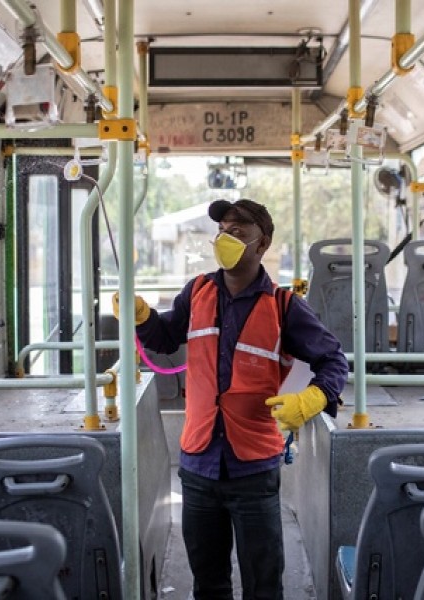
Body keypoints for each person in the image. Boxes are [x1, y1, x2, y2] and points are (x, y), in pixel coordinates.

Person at [113, 198, 348, 599]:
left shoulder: (284, 306)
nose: (225, 239)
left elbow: (334, 362)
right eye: (221, 231)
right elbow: (166, 338)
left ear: (263, 244)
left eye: (237, 232)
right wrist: (143, 317)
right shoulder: (198, 292)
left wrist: (309, 401)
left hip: (254, 467)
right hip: (198, 462)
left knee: (263, 583)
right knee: (208, 583)